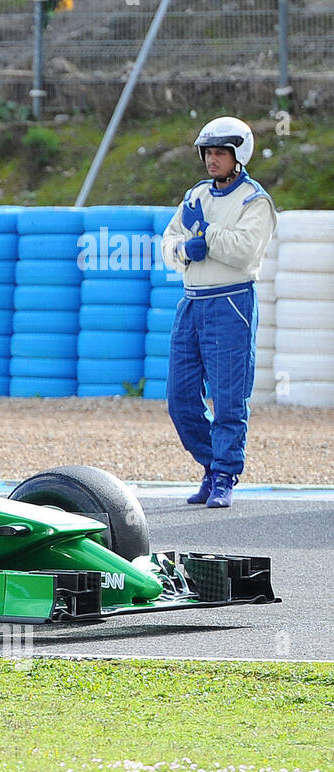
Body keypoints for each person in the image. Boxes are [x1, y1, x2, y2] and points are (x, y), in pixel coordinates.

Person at [161, 116, 277, 509]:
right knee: (179, 399)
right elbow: (169, 242)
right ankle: (211, 464)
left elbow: (246, 250)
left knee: (228, 398)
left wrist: (205, 234)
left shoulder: (254, 200)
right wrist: (182, 250)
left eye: (220, 154)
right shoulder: (195, 195)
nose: (212, 160)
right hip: (192, 303)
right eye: (208, 153)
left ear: (238, 156)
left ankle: (225, 475)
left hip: (232, 303)